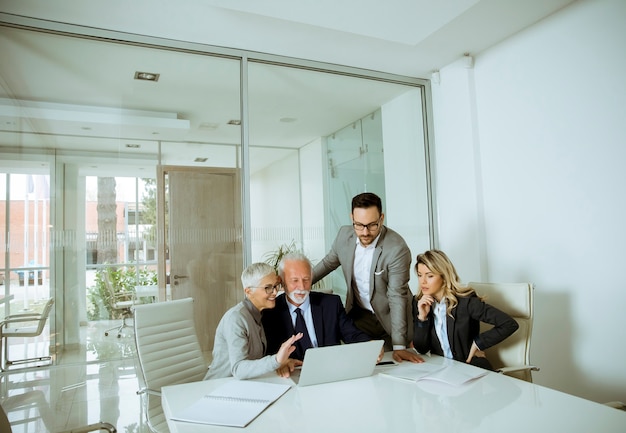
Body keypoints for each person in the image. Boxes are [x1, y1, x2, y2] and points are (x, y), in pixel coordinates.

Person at [312, 192, 422, 363]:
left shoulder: (397, 249)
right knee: (360, 365)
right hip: (359, 317)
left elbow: (396, 296)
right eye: (359, 225)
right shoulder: (344, 236)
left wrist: (399, 346)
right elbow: (328, 264)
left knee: (392, 366)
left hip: (390, 319)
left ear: (381, 218)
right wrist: (299, 282)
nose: (365, 232)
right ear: (352, 218)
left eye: (372, 225)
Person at [412, 250, 519, 370]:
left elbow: (509, 324)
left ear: (444, 277)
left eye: (430, 275)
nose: (423, 281)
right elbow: (422, 349)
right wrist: (422, 318)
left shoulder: (466, 302)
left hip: (469, 367)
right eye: (420, 275)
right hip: (441, 371)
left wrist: (478, 343)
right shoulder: (420, 302)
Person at [262, 251, 373, 367]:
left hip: (329, 371)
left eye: (306, 280)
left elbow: (352, 335)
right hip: (291, 374)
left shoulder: (331, 304)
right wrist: (280, 363)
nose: (301, 287)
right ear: (281, 281)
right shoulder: (270, 312)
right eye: (294, 281)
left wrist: (369, 345)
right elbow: (268, 352)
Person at [204, 262, 303, 380]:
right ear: (248, 291)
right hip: (219, 386)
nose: (275, 292)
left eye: (276, 285)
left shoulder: (261, 314)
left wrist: (281, 362)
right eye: (268, 288)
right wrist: (276, 360)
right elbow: (238, 369)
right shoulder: (236, 318)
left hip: (245, 384)